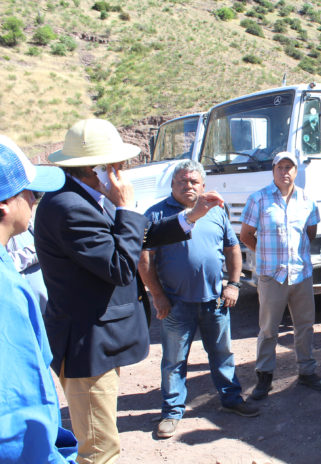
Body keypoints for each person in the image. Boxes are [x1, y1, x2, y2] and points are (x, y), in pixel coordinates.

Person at [34, 119, 224, 464]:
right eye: (117, 165)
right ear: (98, 169)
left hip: (99, 340)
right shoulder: (69, 208)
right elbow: (122, 266)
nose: (123, 171)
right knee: (99, 450)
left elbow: (132, 237)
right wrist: (125, 207)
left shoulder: (87, 198)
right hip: (87, 345)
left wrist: (189, 217)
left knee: (101, 441)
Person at [139, 160, 259, 439]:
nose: (188, 185)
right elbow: (144, 258)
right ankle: (171, 412)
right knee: (174, 361)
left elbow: (232, 248)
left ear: (203, 185)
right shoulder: (156, 214)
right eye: (182, 181)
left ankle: (231, 399)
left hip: (215, 300)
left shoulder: (215, 211)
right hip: (175, 304)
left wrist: (233, 284)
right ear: (172, 185)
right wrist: (157, 295)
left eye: (194, 181)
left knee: (221, 354)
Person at [0, 135, 78, 463]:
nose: (35, 199)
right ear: (3, 205)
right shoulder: (4, 292)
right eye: (29, 191)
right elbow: (16, 423)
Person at [240, 151, 321, 399]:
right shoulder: (258, 199)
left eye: (289, 167)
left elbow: (309, 233)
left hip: (301, 275)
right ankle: (264, 378)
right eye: (280, 167)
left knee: (305, 326)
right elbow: (246, 236)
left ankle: (307, 372)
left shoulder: (307, 199)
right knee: (268, 329)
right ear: (273, 170)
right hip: (272, 276)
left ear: (296, 171)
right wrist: (267, 256)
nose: (285, 172)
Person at [6, 217, 49, 314]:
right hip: (24, 310)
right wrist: (36, 250)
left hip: (50, 307)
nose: (32, 201)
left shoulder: (29, 220)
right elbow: (5, 263)